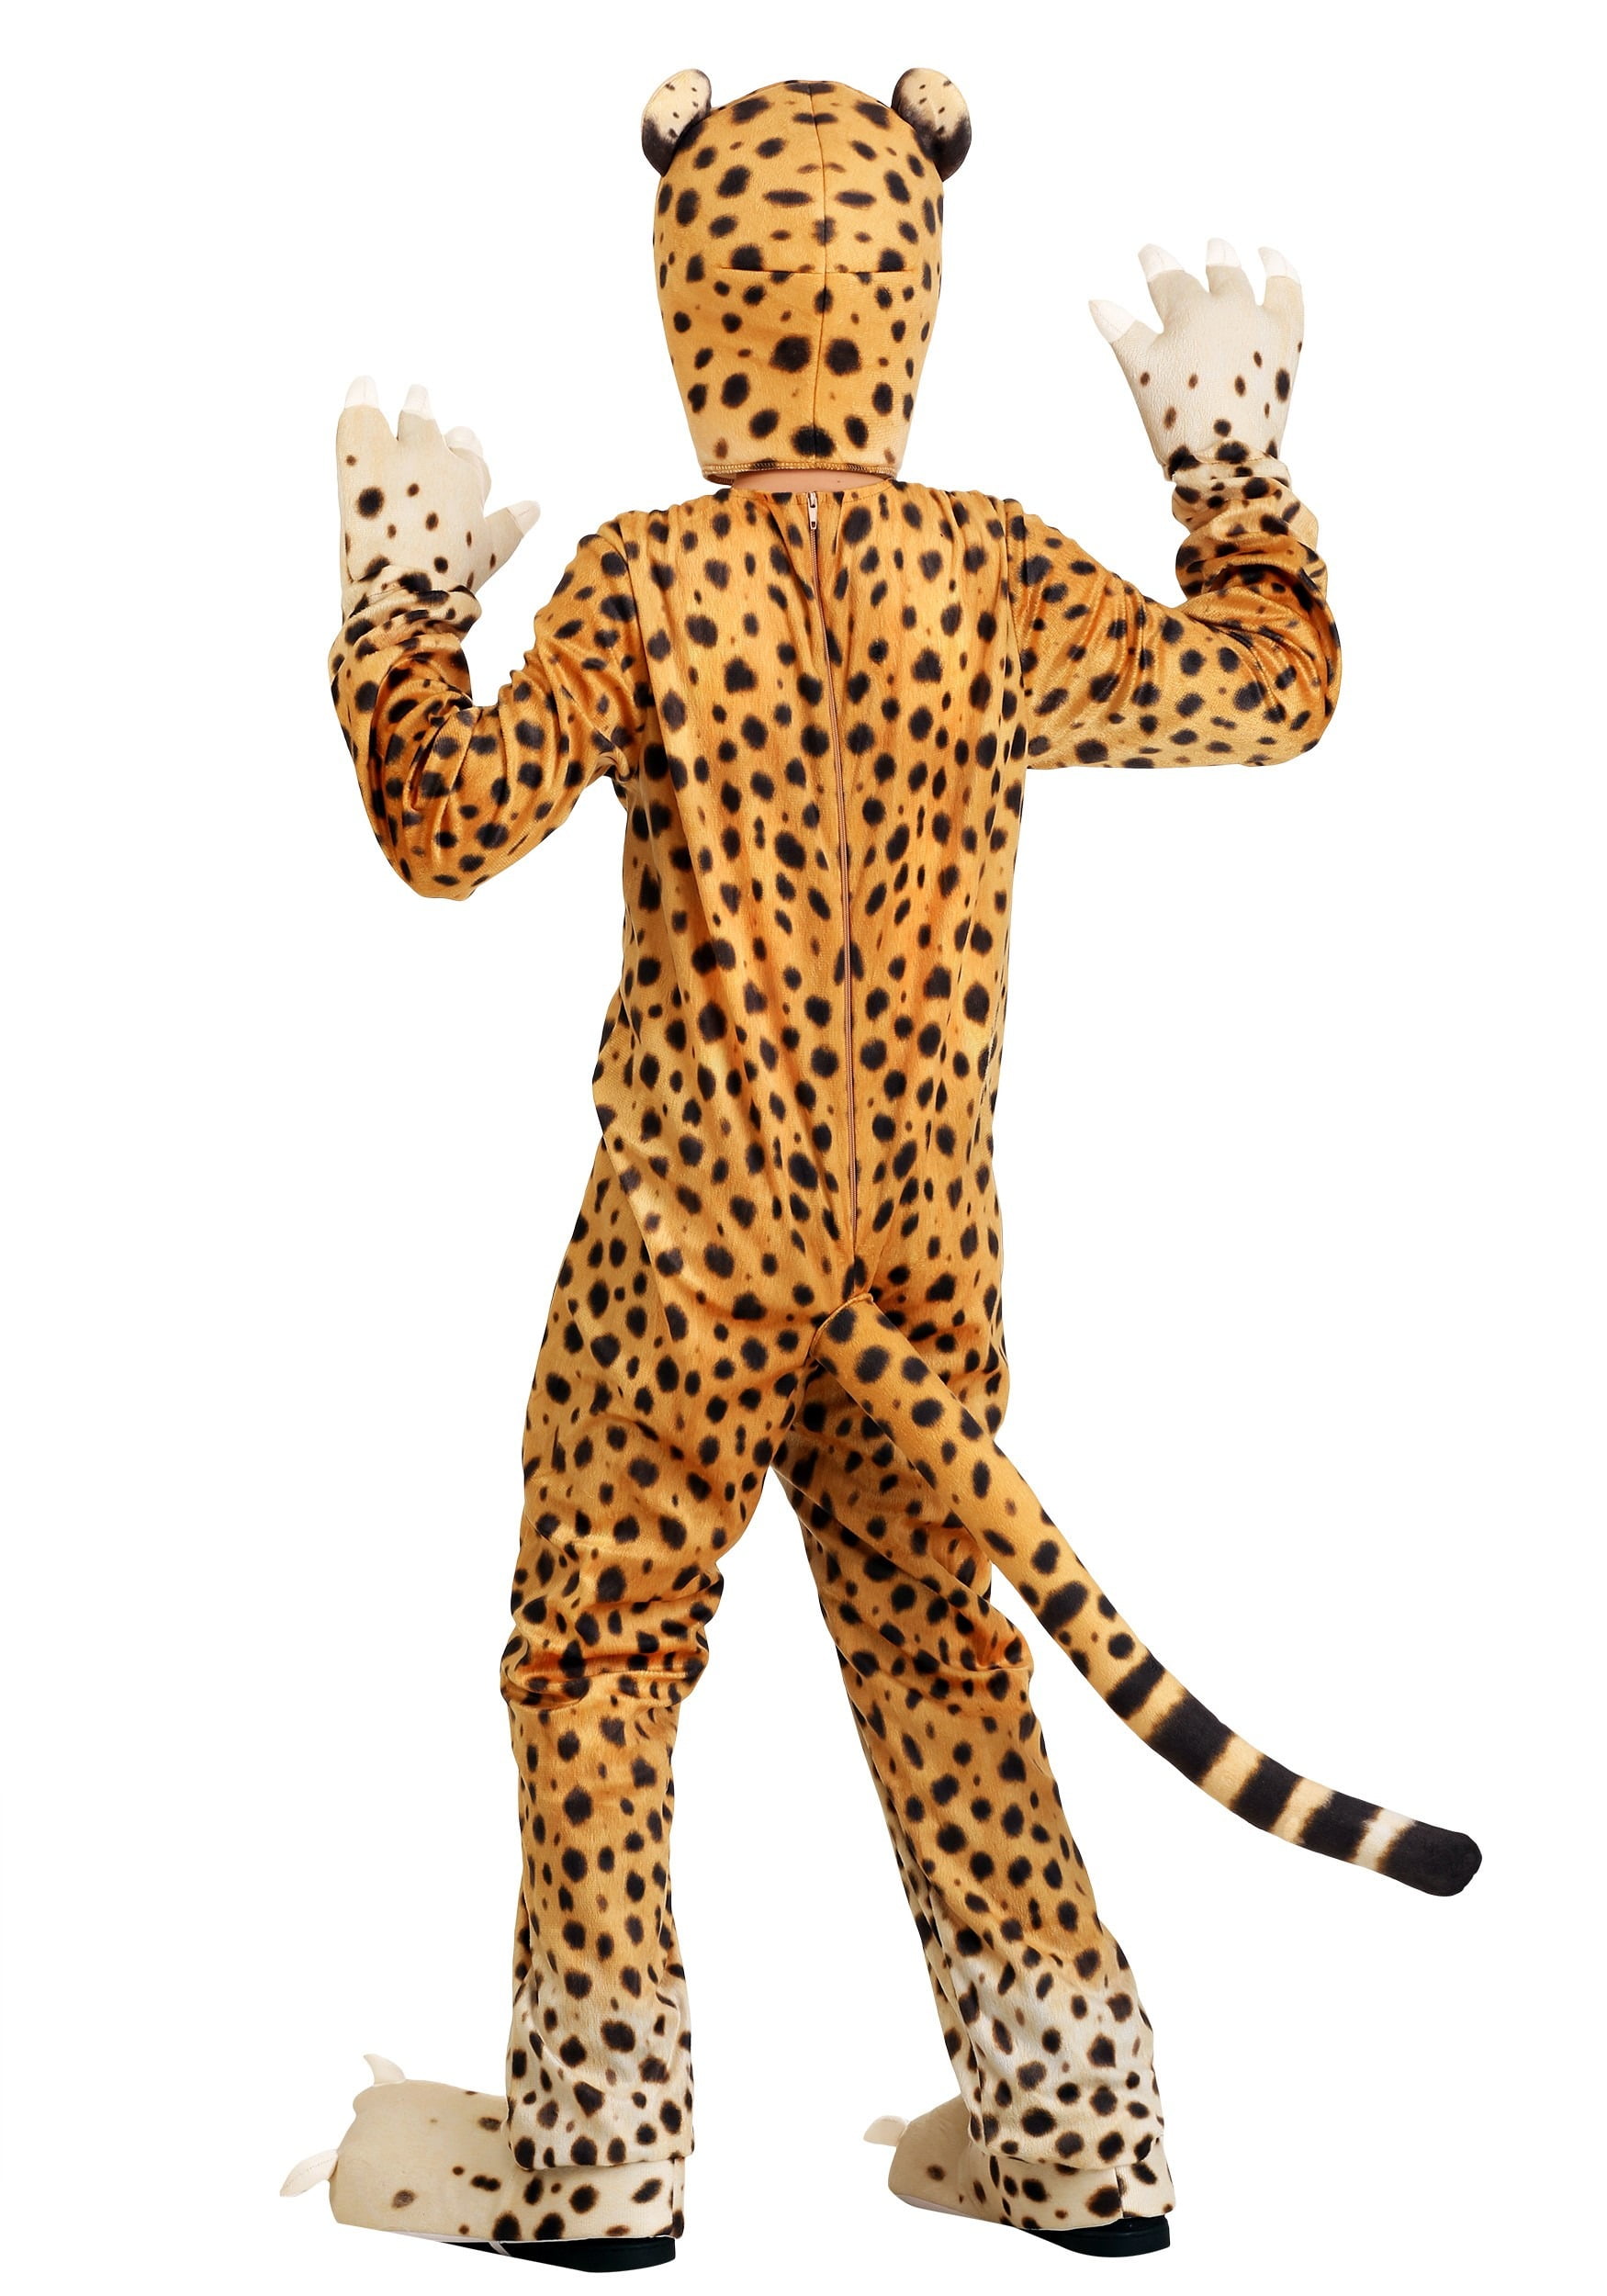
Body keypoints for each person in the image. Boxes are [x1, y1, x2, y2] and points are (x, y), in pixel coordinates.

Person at [287, 66, 1477, 2274]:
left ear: (687, 301)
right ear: (911, 291)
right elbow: (1275, 694)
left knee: (594, 1666)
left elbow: (444, 829)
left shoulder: (641, 584)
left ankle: (597, 2156)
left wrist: (395, 607)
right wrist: (1229, 475)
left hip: (679, 1255)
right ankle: (1079, 2135)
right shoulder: (993, 571)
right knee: (945, 1655)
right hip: (915, 1258)